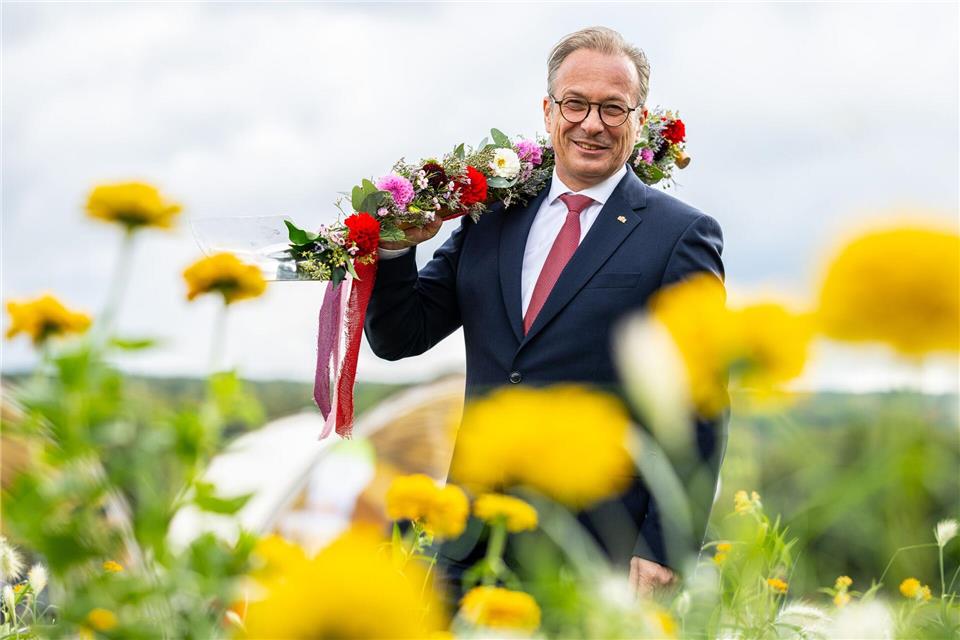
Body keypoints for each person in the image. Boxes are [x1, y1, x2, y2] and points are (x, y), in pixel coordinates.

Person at [364, 26, 726, 598]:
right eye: (575, 103)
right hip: (470, 540)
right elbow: (399, 336)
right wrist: (393, 249)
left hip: (596, 550)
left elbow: (699, 402)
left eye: (613, 108)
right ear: (548, 110)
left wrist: (664, 546)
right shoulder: (490, 218)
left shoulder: (681, 235)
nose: (592, 124)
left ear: (638, 119)